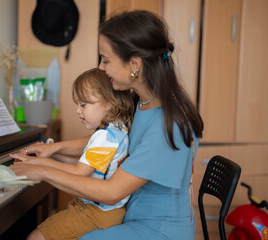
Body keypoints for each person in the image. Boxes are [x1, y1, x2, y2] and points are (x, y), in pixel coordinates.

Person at [11, 10, 203, 240]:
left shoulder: (166, 125)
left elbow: (111, 193)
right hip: (132, 215)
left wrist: (42, 169)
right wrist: (55, 149)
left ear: (134, 64)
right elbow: (108, 140)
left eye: (106, 59)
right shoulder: (142, 102)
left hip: (158, 230)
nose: (101, 67)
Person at [11, 67, 134, 240]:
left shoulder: (104, 137)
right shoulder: (115, 129)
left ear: (108, 103)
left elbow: (79, 173)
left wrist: (37, 164)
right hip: (104, 211)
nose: (78, 110)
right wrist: (55, 155)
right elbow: (88, 166)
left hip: (96, 212)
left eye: (83, 104)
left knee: (35, 237)